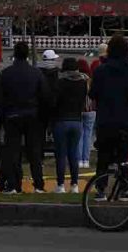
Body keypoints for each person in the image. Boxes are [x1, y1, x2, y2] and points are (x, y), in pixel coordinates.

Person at [90, 35, 128, 197]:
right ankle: (124, 187)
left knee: (103, 156)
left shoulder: (100, 71)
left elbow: (93, 93)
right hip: (125, 121)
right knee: (124, 157)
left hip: (105, 120)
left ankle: (101, 188)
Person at [0, 41, 49, 194]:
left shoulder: (6, 73)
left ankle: (13, 184)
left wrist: (3, 118)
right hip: (32, 115)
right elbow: (44, 95)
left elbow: (0, 99)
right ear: (28, 54)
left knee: (13, 152)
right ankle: (38, 184)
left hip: (12, 115)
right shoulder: (36, 73)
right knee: (34, 152)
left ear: (14, 54)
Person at [52, 57, 88, 194]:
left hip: (62, 120)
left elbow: (54, 102)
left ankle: (60, 185)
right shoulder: (83, 83)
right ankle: (74, 185)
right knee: (74, 154)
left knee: (61, 154)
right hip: (77, 121)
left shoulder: (60, 83)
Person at [76, 59, 96, 169]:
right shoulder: (90, 80)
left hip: (79, 110)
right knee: (88, 135)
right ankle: (86, 160)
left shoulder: (76, 79)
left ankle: (79, 160)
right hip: (91, 110)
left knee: (80, 136)